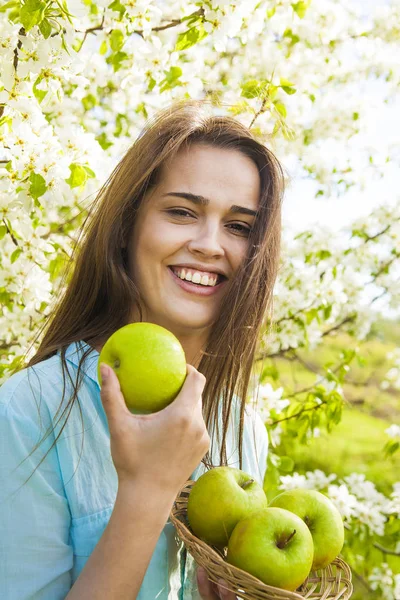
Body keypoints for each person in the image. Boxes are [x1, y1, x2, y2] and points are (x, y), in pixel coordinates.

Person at [0, 98, 284, 599]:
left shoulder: (241, 429)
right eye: (181, 211)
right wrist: (147, 491)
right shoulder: (28, 412)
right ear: (128, 227)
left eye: (239, 227)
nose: (208, 244)